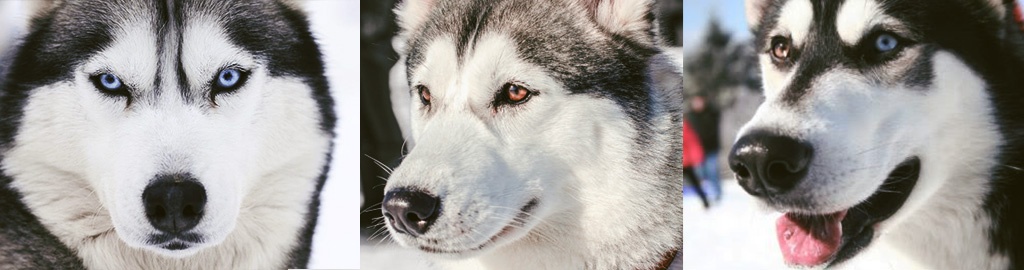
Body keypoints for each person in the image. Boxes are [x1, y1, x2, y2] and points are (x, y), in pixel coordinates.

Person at [687, 95, 722, 201]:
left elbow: (715, 119)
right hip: (696, 151)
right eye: (695, 102)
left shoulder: (711, 114)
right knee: (700, 174)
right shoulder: (690, 116)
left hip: (711, 149)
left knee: (712, 172)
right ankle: (706, 195)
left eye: (700, 102)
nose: (698, 104)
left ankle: (717, 193)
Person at [683, 120, 709, 208]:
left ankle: (705, 201)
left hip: (686, 163)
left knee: (695, 183)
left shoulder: (685, 128)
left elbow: (693, 144)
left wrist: (697, 158)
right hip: (683, 162)